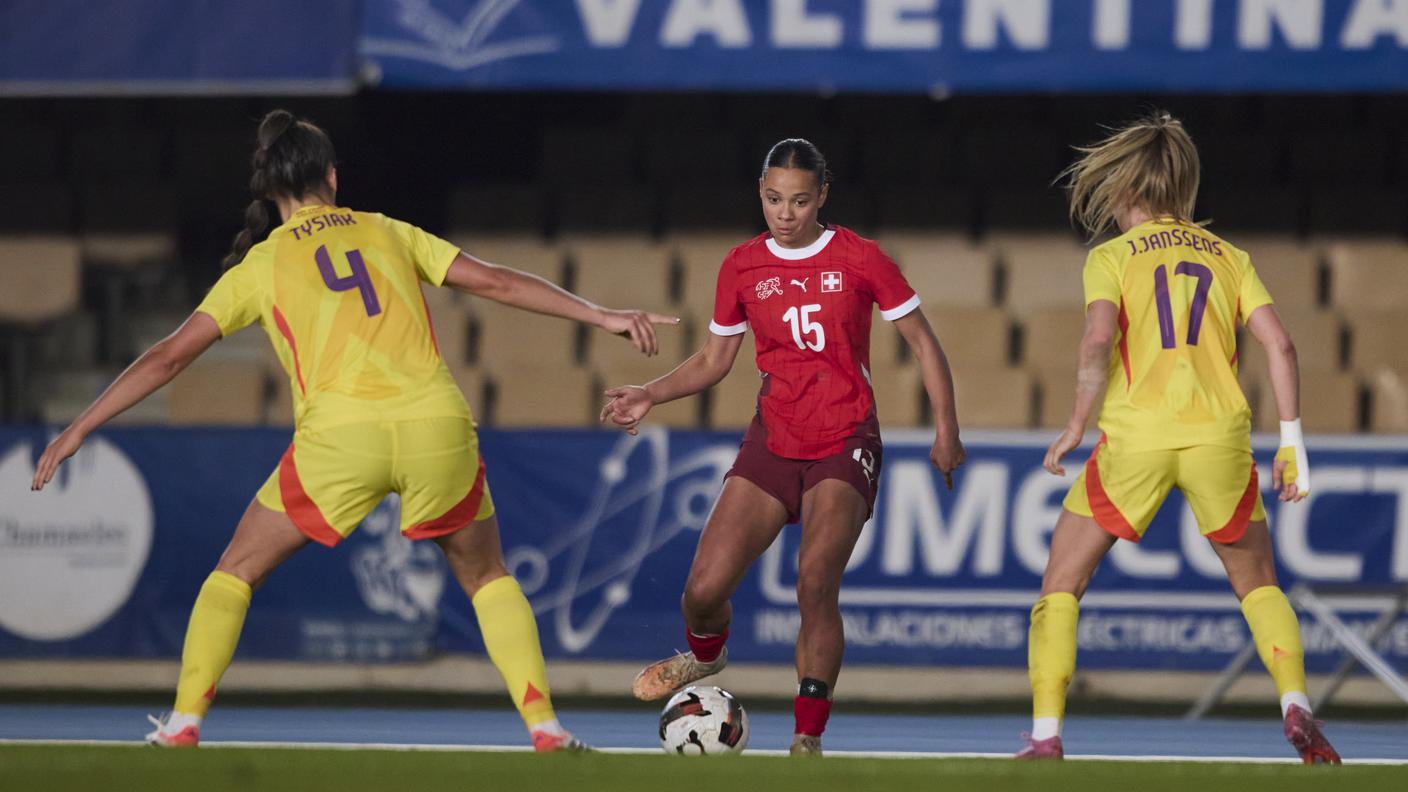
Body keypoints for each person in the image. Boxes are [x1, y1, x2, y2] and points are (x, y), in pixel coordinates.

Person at [30, 110, 677, 751]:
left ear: (269, 189)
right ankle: (546, 729)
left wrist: (82, 424)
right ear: (332, 177)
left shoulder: (259, 266)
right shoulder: (387, 231)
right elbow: (499, 282)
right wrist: (602, 316)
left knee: (235, 571)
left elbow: (169, 356)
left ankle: (182, 726)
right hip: (435, 425)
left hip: (342, 437)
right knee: (486, 578)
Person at [600, 139, 965, 757]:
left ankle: (807, 737)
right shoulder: (742, 265)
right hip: (773, 439)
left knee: (814, 581)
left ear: (822, 196)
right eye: (773, 199)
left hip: (845, 439)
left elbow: (925, 345)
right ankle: (706, 658)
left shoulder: (862, 258)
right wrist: (651, 394)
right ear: (760, 195)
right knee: (703, 592)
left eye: (799, 200)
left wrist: (947, 431)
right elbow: (716, 360)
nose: (785, 213)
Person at [1017, 111, 1339, 764]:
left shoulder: (1111, 257)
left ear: (1121, 187)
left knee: (1062, 581)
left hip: (1137, 435)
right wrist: (1292, 444)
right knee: (1257, 583)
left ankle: (1047, 735)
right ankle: (1296, 703)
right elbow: (1281, 344)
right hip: (1220, 435)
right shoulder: (1229, 256)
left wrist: (1079, 421)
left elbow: (1099, 339)